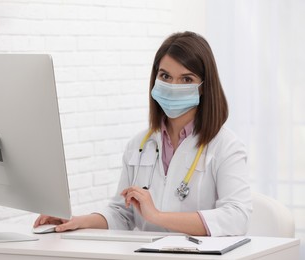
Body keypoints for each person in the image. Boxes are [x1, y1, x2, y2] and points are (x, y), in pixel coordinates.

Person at [33, 31, 252, 236]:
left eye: (186, 79)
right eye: (165, 76)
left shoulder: (226, 147)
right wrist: (77, 221)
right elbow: (122, 214)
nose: (173, 85)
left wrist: (157, 216)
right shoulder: (139, 144)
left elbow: (236, 217)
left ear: (203, 86)